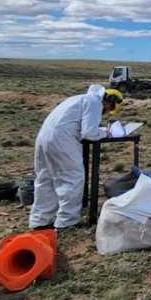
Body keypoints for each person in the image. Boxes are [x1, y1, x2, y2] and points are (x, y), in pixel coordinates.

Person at [28, 85, 123, 230]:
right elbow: (89, 133)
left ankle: (39, 221)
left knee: (45, 179)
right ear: (109, 101)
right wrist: (106, 133)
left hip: (44, 139)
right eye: (109, 108)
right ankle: (66, 222)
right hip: (62, 141)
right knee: (72, 179)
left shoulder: (78, 99)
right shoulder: (94, 103)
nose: (107, 111)